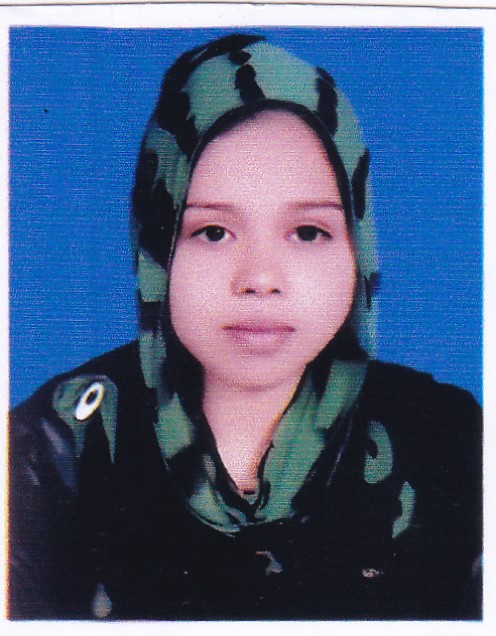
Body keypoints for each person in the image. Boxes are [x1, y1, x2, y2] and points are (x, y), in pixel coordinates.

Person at [8, 33, 482, 620]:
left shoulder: (454, 446)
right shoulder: (53, 450)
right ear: (155, 247)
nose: (259, 278)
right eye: (213, 232)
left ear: (358, 249)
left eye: (308, 232)